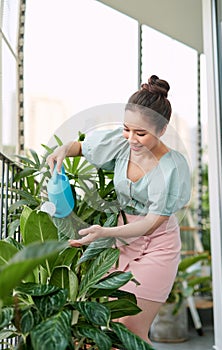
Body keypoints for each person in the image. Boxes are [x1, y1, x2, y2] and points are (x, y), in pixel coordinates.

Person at [46, 75, 191, 345]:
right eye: (127, 129)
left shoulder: (173, 167)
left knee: (132, 329)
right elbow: (82, 146)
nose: (131, 139)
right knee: (113, 328)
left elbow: (152, 223)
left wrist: (104, 233)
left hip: (157, 245)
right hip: (122, 240)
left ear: (161, 130)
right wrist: (62, 150)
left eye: (141, 133)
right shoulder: (122, 143)